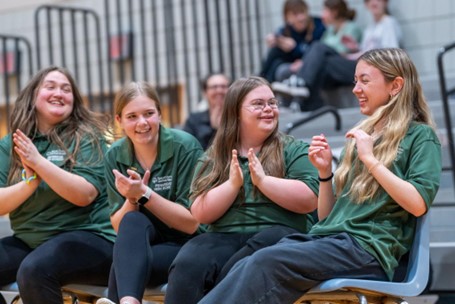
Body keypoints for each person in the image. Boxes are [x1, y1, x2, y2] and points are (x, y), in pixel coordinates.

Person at [197, 48, 442, 304]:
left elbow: (417, 204)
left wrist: (371, 160)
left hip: (368, 249)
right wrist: (325, 174)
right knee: (249, 261)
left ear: (396, 85)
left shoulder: (420, 136)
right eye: (355, 81)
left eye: (365, 81)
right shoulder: (362, 136)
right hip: (332, 239)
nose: (356, 89)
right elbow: (326, 217)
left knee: (267, 260)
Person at [165, 76, 319, 304]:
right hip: (223, 235)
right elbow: (199, 213)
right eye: (258, 104)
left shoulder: (294, 149)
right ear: (236, 112)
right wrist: (231, 185)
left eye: (272, 103)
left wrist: (264, 182)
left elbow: (309, 200)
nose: (268, 109)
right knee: (190, 260)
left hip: (279, 234)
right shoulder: (214, 156)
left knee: (245, 261)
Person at [0, 66, 115, 304]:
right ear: (33, 96)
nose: (59, 93)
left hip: (89, 238)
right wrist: (29, 184)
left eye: (66, 89)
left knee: (34, 270)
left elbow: (84, 194)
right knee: (35, 264)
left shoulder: (87, 136)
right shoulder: (11, 143)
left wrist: (39, 163)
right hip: (31, 241)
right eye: (50, 87)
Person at [95, 81, 204, 304]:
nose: (142, 123)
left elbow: (192, 223)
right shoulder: (114, 155)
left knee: (123, 265)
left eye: (148, 114)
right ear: (119, 121)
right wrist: (132, 198)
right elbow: (119, 225)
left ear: (160, 115)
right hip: (144, 244)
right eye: (132, 116)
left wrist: (145, 193)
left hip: (188, 246)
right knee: (132, 221)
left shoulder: (185, 146)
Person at [273, 0, 401, 112]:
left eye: (378, 0)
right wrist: (355, 49)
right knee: (323, 65)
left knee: (319, 48)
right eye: (370, 1)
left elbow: (390, 53)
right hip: (359, 63)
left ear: (385, 2)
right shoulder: (371, 27)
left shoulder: (388, 22)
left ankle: (301, 85)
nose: (374, 3)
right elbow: (366, 52)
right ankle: (306, 103)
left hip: (372, 68)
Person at [259, 0, 325, 83]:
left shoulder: (318, 25)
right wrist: (276, 41)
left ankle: (262, 81)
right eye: (295, 14)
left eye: (302, 12)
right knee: (276, 58)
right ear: (288, 18)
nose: (301, 17)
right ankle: (263, 82)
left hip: (310, 62)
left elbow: (317, 50)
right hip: (293, 61)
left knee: (277, 59)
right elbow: (275, 36)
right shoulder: (287, 30)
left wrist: (294, 47)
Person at [182, 73, 230, 150]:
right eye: (214, 87)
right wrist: (214, 130)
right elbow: (188, 149)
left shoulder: (240, 116)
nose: (219, 90)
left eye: (223, 86)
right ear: (205, 93)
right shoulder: (194, 120)